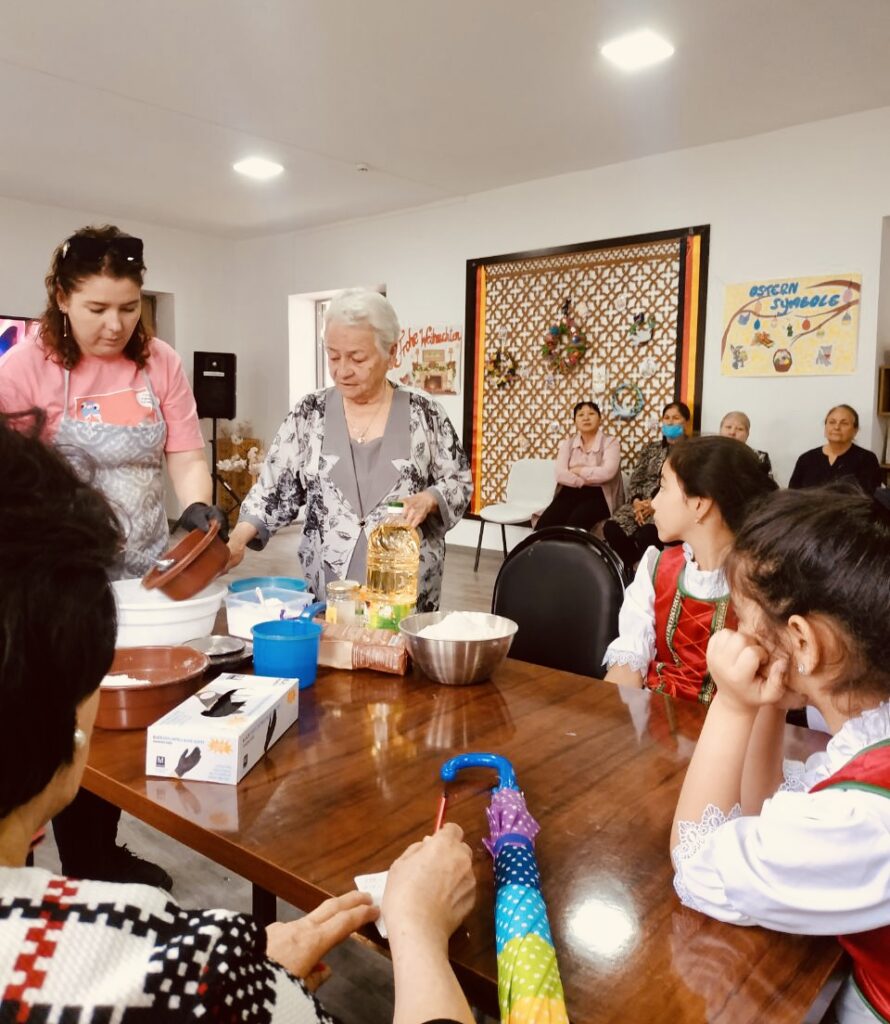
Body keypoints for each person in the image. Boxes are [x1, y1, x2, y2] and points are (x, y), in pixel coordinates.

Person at [0, 410, 478, 1024]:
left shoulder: (174, 970)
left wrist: (242, 967)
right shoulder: (170, 976)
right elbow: (270, 495)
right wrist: (419, 932)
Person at [0, 225, 227, 890]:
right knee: (58, 713)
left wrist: (196, 505)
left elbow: (184, 451)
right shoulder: (26, 367)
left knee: (121, 713)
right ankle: (23, 873)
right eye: (97, 308)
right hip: (59, 578)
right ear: (61, 298)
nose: (115, 324)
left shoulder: (160, 362)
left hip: (143, 570)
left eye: (129, 308)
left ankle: (96, 853)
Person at [671, 488, 890, 1024]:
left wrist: (731, 704)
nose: (739, 637)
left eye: (744, 620)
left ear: (804, 642)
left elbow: (699, 867)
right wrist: (766, 702)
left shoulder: (862, 820)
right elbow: (764, 808)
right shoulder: (870, 738)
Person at [228, 290, 472, 611]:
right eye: (333, 356)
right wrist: (235, 541)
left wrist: (430, 499)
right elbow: (272, 491)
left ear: (392, 352)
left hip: (405, 597)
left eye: (357, 358)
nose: (342, 370)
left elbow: (458, 481)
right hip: (328, 597)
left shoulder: (425, 413)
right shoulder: (309, 413)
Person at [603, 436, 777, 703]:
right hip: (655, 717)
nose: (654, 503)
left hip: (730, 724)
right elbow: (628, 665)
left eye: (663, 488)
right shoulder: (655, 568)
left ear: (699, 504)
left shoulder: (762, 582)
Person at [601, 401, 692, 573]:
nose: (670, 422)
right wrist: (636, 502)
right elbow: (637, 479)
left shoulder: (692, 451)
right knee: (611, 527)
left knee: (647, 534)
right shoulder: (651, 448)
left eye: (676, 418)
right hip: (640, 504)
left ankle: (651, 574)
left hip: (669, 506)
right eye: (667, 418)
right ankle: (634, 568)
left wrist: (654, 504)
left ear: (686, 422)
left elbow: (687, 485)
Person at [535, 401, 623, 531]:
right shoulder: (568, 444)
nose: (586, 418)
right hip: (569, 492)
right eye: (581, 415)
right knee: (544, 526)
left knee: (573, 527)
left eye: (591, 414)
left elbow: (607, 472)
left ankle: (570, 545)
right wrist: (581, 481)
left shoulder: (611, 442)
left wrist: (578, 470)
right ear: (575, 421)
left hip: (599, 495)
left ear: (600, 419)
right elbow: (560, 474)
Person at [789, 403, 882, 494]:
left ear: (855, 430)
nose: (837, 427)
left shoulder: (867, 459)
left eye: (844, 423)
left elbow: (868, 497)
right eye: (832, 422)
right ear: (825, 427)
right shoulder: (806, 459)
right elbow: (792, 496)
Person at [718, 410, 773, 477]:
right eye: (728, 427)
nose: (732, 432)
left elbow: (767, 483)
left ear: (747, 434)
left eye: (740, 429)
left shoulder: (760, 457)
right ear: (720, 430)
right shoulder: (708, 453)